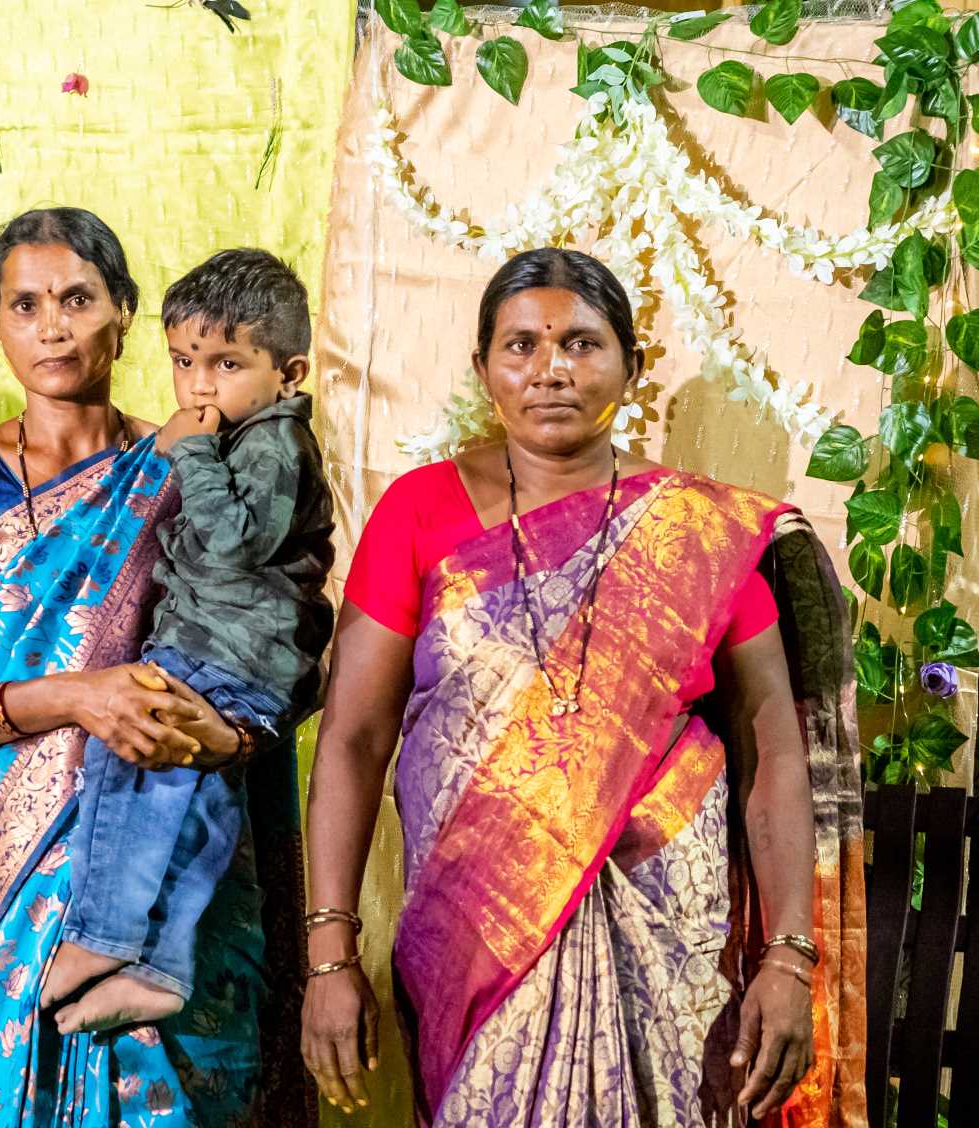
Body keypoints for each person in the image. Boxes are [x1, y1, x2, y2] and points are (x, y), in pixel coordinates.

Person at [298, 247, 865, 1125]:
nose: (550, 369)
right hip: (473, 942)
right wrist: (331, 951)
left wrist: (789, 958)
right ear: (483, 367)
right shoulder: (418, 510)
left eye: (581, 344)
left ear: (632, 365)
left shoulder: (700, 529)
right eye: (521, 345)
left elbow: (775, 753)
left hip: (670, 945)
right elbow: (353, 739)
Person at [0, 207, 311, 1126]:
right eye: (24, 305)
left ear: (124, 312)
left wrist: (230, 736)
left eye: (77, 300)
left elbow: (276, 631)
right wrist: (80, 697)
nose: (51, 326)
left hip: (176, 857)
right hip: (11, 871)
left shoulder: (196, 463)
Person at [41, 247, 333, 1034]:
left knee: (125, 744)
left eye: (226, 364)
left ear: (289, 373)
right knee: (196, 793)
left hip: (229, 654)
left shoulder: (274, 443)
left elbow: (235, 541)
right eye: (183, 362)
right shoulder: (246, 435)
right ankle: (163, 966)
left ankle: (102, 935)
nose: (199, 386)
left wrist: (191, 451)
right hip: (229, 651)